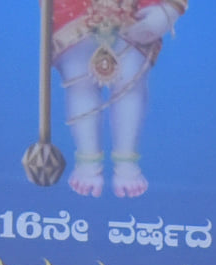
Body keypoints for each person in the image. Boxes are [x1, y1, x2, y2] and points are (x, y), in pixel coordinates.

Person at [50, 0, 182, 197]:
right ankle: (88, 162)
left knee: (130, 81)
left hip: (132, 14)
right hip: (74, 15)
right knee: (80, 82)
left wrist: (169, 10)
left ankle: (126, 162)